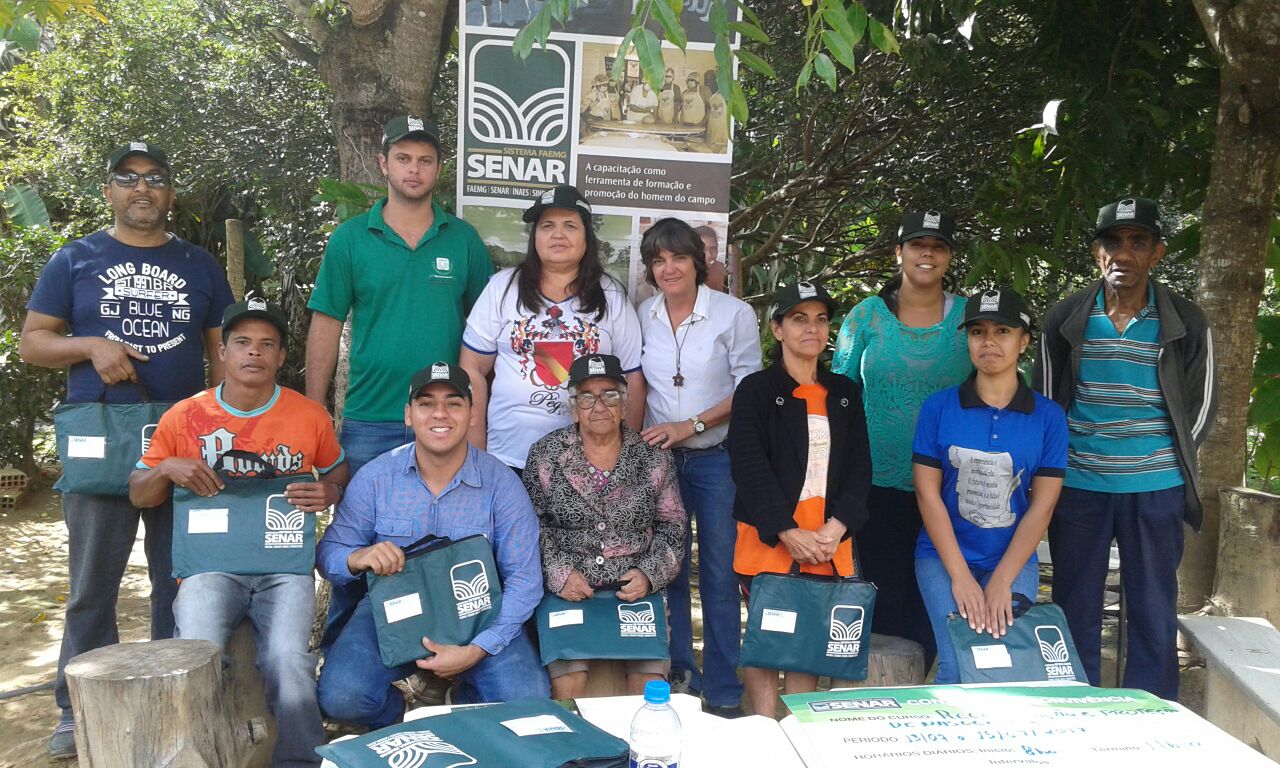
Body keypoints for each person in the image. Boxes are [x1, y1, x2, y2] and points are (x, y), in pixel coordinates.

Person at [19, 141, 235, 759]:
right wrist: (90, 346)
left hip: (181, 438)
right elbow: (34, 342)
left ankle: (177, 698)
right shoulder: (76, 258)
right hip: (102, 444)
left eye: (156, 179)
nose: (143, 189)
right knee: (92, 585)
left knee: (180, 581)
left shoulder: (198, 263)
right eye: (128, 178)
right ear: (110, 190)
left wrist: (230, 423)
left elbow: (223, 354)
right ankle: (76, 708)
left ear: (170, 192)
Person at [129, 299, 347, 768]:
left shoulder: (308, 415)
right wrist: (166, 467)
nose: (255, 353)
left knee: (289, 661)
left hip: (283, 568)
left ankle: (300, 761)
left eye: (267, 345)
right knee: (197, 655)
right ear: (222, 352)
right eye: (243, 343)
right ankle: (192, 756)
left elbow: (337, 472)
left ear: (281, 358)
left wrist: (327, 491)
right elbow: (139, 495)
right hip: (209, 567)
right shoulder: (185, 417)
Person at [1035, 197, 1218, 699]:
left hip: (1156, 487)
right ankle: (1075, 705)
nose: (1124, 254)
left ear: (1156, 252)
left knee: (1153, 605)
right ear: (1097, 253)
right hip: (1080, 487)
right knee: (1074, 604)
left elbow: (1201, 407)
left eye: (1138, 243)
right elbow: (1047, 405)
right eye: (1112, 242)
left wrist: (1168, 460)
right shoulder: (1066, 319)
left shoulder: (1186, 321)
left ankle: (1150, 713)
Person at [315, 362, 549, 726]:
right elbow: (330, 553)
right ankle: (407, 718)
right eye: (426, 403)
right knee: (343, 696)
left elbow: (525, 580)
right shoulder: (376, 477)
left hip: (478, 614)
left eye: (454, 403)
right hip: (392, 613)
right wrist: (359, 557)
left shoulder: (501, 484)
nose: (440, 413)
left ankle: (459, 704)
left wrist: (477, 649)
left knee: (526, 701)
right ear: (409, 415)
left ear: (472, 415)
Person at [306, 115, 491, 478]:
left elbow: (487, 333)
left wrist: (477, 415)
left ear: (439, 169)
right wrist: (314, 408)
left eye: (425, 160)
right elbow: (326, 324)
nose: (414, 170)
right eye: (403, 158)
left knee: (447, 533)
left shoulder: (463, 239)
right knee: (364, 532)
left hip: (446, 416)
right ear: (383, 164)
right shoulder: (350, 239)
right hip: (370, 418)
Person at [831, 210, 972, 670]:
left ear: (949, 256)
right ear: (899, 252)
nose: (927, 253)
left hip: (951, 486)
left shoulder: (971, 318)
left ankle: (928, 697)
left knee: (936, 601)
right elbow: (840, 396)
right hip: (875, 486)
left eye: (938, 245)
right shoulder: (866, 316)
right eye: (916, 244)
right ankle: (878, 705)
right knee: (882, 598)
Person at [728, 281, 872, 718]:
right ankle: (765, 732)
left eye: (821, 319)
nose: (812, 328)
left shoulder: (845, 392)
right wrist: (786, 531)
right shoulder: (756, 389)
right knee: (767, 637)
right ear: (777, 329)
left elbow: (860, 467)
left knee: (806, 642)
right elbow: (749, 466)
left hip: (828, 542)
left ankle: (795, 733)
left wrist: (837, 527)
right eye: (799, 319)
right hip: (770, 540)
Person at [912, 288, 1067, 684]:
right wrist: (960, 576)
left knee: (1003, 664)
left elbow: (1042, 506)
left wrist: (1001, 581)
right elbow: (927, 494)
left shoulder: (1047, 417)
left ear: (1024, 341)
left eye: (1002, 331)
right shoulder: (939, 408)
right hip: (944, 557)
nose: (989, 342)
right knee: (956, 661)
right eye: (978, 332)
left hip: (1012, 559)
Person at [637, 218, 760, 716]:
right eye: (658, 260)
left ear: (699, 262)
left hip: (715, 460)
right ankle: (679, 676)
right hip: (659, 463)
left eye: (678, 258)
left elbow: (748, 391)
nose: (668, 268)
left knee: (717, 575)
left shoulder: (733, 314)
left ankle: (726, 690)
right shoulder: (642, 313)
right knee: (665, 573)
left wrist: (690, 424)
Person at [524, 354, 687, 698]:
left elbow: (674, 527)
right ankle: (574, 751)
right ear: (574, 407)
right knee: (568, 684)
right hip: (569, 586)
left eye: (609, 394)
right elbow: (530, 527)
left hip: (634, 588)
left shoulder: (653, 456)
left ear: (624, 404)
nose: (599, 405)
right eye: (587, 396)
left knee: (649, 688)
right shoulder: (545, 455)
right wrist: (560, 574)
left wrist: (648, 574)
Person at [458, 184, 645, 475]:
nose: (558, 234)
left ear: (586, 237)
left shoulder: (611, 296)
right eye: (547, 226)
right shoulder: (502, 287)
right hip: (506, 458)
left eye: (570, 225)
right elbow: (472, 369)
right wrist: (477, 452)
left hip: (588, 467)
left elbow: (632, 377)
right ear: (535, 238)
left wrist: (624, 459)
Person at [692, 225, 729, 294]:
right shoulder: (686, 271)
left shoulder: (721, 268)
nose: (709, 255)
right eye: (703, 249)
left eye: (713, 248)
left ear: (717, 246)